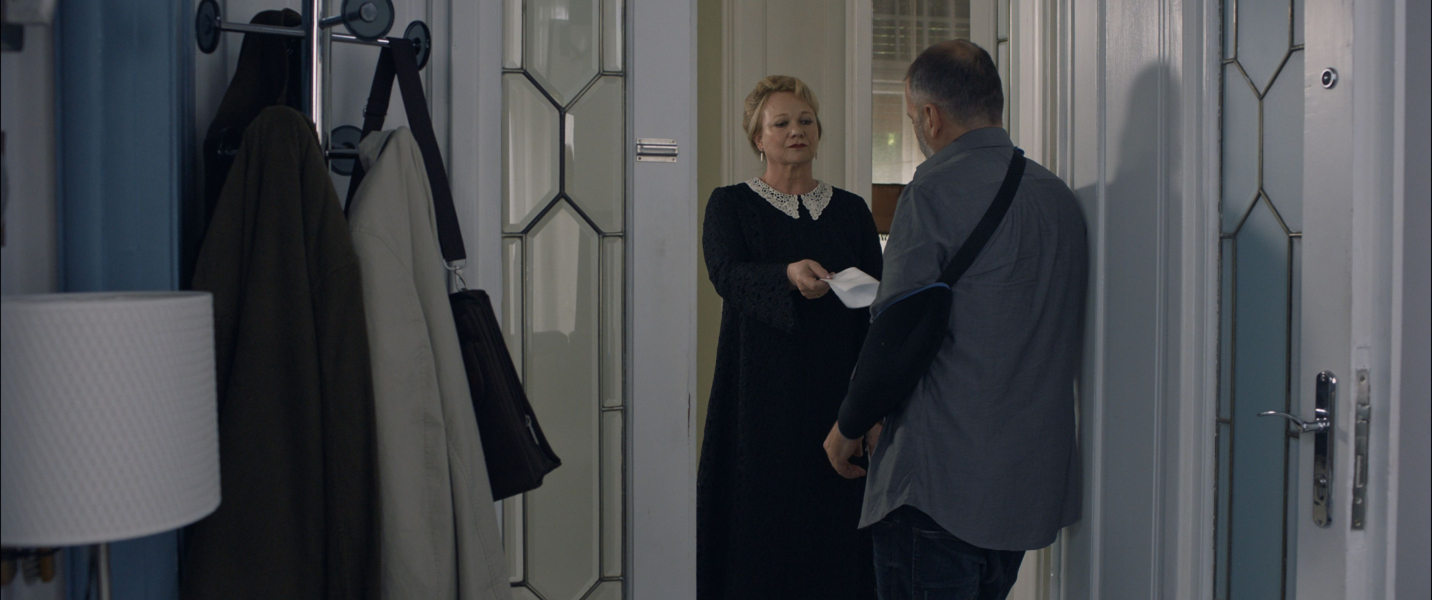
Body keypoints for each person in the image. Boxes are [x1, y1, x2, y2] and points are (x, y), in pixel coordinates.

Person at [822, 40, 1088, 600]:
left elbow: (900, 333)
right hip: (1023, 487)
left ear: (930, 116)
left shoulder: (933, 191)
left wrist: (848, 426)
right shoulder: (1058, 197)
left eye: (912, 116)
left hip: (938, 485)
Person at [699, 75, 884, 600]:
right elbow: (726, 274)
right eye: (780, 123)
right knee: (760, 536)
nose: (796, 131)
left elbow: (877, 309)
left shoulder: (851, 210)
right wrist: (786, 275)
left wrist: (870, 409)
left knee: (837, 538)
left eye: (805, 121)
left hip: (837, 401)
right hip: (758, 401)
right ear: (758, 137)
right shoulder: (730, 204)